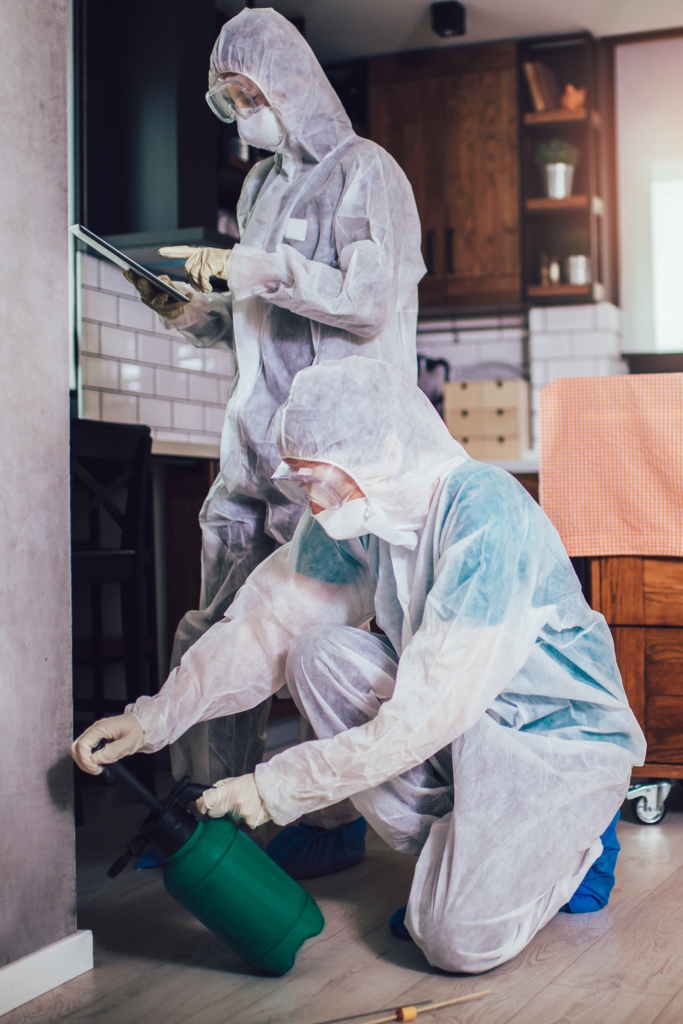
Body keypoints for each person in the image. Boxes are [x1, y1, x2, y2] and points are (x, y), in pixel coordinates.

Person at [73, 357, 646, 974]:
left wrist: (276, 786)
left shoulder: (485, 513)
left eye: (324, 481)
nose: (314, 504)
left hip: (554, 744)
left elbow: (426, 713)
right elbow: (269, 625)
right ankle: (458, 863)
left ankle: (580, 843)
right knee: (314, 652)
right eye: (303, 484)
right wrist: (154, 719)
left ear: (386, 450)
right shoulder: (361, 515)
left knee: (453, 941)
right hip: (464, 728)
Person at [124, 7, 425, 799]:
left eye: (246, 91)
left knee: (315, 642)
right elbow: (256, 325)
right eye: (226, 97)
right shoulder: (260, 184)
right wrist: (188, 309)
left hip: (330, 459)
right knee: (217, 629)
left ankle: (326, 820)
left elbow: (368, 302)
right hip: (251, 451)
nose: (239, 110)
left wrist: (263, 269)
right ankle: (204, 809)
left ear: (291, 84)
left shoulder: (367, 172)